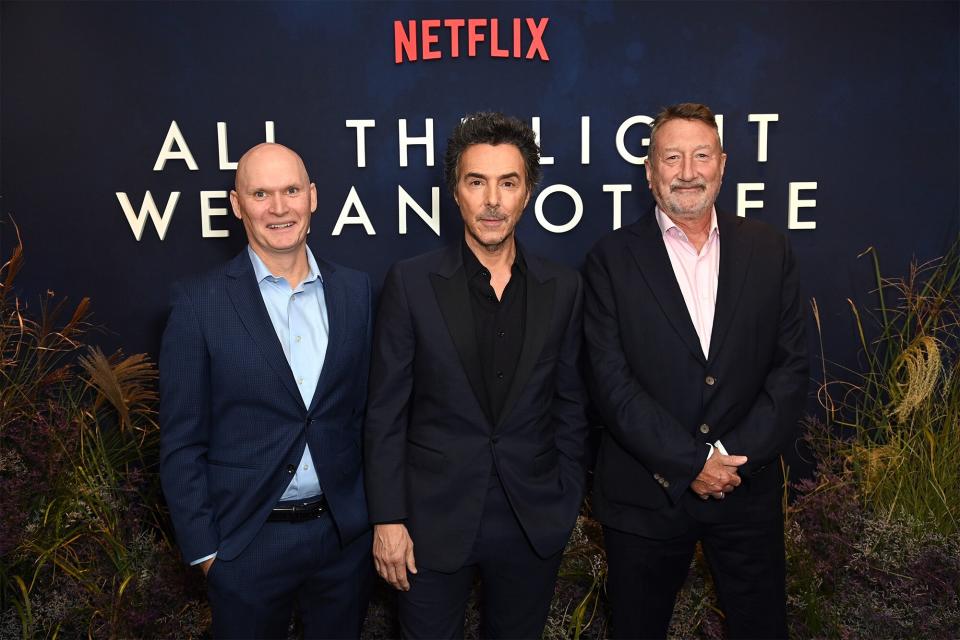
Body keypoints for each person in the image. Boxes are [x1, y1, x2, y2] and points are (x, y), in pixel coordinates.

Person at [584, 103, 807, 639]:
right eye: (672, 157)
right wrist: (690, 464)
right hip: (646, 499)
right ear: (650, 170)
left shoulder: (769, 249)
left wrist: (728, 462)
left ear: (723, 164)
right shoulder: (610, 259)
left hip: (744, 492)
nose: (687, 171)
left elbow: (790, 367)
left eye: (701, 155)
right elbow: (611, 383)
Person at [363, 112, 589, 639]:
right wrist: (388, 518)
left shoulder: (564, 287)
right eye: (476, 181)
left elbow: (572, 405)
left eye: (507, 183)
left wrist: (565, 498)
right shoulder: (411, 282)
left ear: (527, 191)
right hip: (429, 524)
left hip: (532, 520)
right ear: (456, 192)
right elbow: (386, 411)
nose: (492, 199)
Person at [159, 143, 373, 639]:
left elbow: (366, 415)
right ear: (237, 205)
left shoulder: (356, 292)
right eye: (261, 194)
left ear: (312, 197)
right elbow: (182, 440)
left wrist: (369, 522)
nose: (279, 208)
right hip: (246, 543)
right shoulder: (198, 303)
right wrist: (209, 554)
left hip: (342, 541)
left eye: (291, 191)